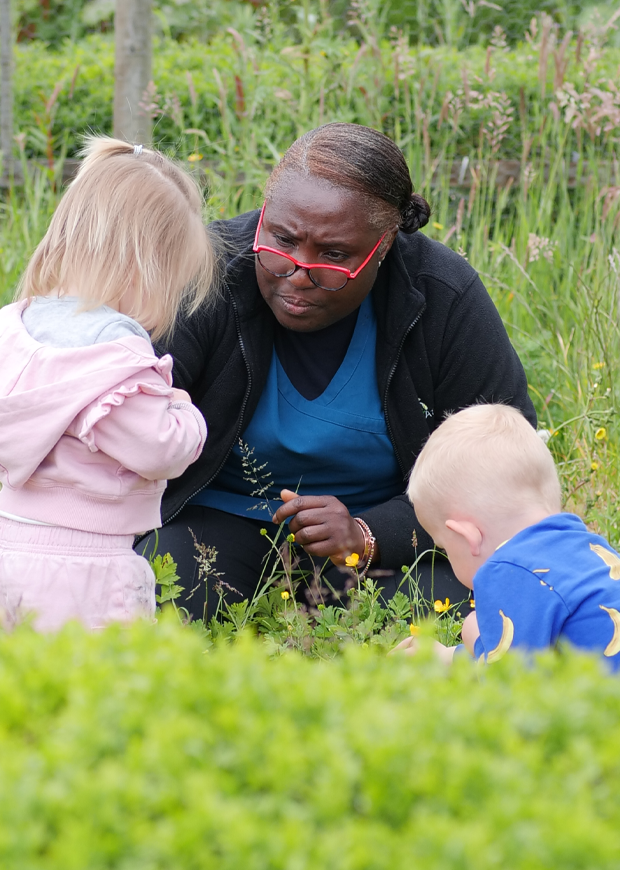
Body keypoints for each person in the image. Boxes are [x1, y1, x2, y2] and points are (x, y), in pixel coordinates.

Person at [141, 122, 536, 622]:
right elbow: (130, 411)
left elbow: (502, 460)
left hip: (380, 544)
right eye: (281, 239)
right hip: (217, 522)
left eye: (333, 255)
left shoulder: (441, 295)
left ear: (385, 245)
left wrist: (367, 535)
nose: (296, 273)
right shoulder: (209, 270)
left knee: (472, 605)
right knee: (157, 588)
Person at [0, 137, 218, 631]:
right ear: (149, 269)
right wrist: (182, 407)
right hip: (87, 567)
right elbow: (161, 447)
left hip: (8, 546)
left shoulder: (11, 326)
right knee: (93, 695)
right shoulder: (114, 355)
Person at [397, 404, 620, 671]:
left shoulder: (508, 572)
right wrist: (452, 657)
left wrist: (475, 635)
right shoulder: (591, 548)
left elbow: (511, 684)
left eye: (445, 548)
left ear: (468, 537)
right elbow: (535, 653)